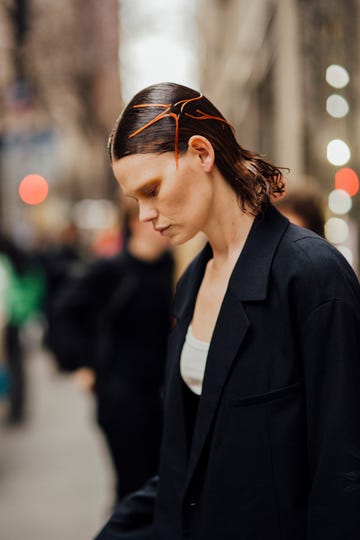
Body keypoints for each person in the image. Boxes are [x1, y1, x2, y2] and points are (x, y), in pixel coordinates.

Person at [94, 82, 360, 540]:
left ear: (202, 153)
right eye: (136, 200)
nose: (145, 216)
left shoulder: (313, 275)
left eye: (153, 189)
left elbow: (344, 472)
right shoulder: (191, 283)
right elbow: (186, 461)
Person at [50, 201, 174, 505]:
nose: (159, 226)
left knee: (162, 483)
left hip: (162, 392)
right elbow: (64, 310)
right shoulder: (111, 268)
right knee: (133, 486)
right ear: (133, 223)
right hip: (121, 392)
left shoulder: (176, 266)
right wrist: (81, 364)